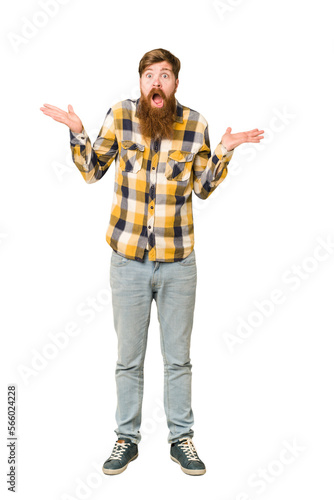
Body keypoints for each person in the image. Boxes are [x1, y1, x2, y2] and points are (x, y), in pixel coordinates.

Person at [40, 47, 264, 476]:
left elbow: (202, 187)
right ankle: (127, 438)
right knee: (129, 358)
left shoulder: (195, 123)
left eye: (164, 75)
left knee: (178, 358)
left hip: (179, 261)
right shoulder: (121, 117)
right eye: (149, 75)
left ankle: (182, 439)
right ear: (140, 83)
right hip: (127, 261)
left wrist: (225, 150)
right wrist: (76, 131)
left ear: (175, 83)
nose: (156, 82)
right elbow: (92, 170)